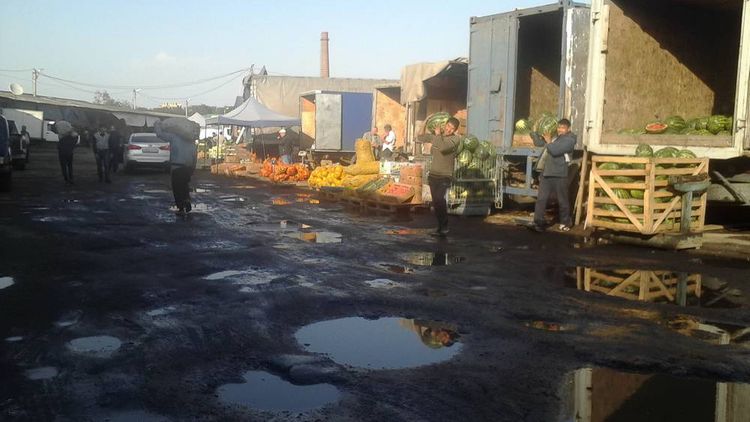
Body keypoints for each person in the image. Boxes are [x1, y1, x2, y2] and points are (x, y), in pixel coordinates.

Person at [530, 118, 577, 232]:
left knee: (562, 200)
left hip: (560, 174)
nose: (560, 130)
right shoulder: (555, 137)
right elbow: (539, 143)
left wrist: (549, 141)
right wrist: (534, 132)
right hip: (547, 173)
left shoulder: (570, 140)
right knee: (541, 199)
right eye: (559, 127)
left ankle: (566, 222)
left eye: (563, 128)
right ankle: (538, 222)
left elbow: (555, 150)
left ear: (568, 129)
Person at [419, 117, 461, 237]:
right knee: (436, 202)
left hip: (445, 175)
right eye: (448, 126)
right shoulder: (438, 136)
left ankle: (445, 227)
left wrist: (437, 134)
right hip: (433, 175)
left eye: (452, 128)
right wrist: (425, 122)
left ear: (455, 130)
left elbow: (442, 147)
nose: (449, 130)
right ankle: (440, 227)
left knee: (439, 199)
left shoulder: (455, 140)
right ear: (445, 125)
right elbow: (420, 137)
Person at [155, 119, 198, 215]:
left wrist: (157, 124)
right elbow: (195, 157)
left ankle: (181, 207)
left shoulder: (174, 137)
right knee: (184, 186)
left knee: (177, 187)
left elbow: (160, 134)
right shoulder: (192, 142)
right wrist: (192, 169)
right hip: (188, 168)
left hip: (176, 167)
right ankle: (186, 200)